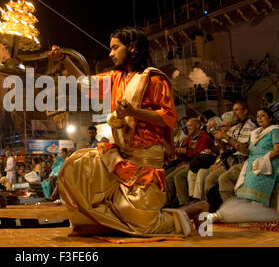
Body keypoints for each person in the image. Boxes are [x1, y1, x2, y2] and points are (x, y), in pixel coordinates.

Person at [50, 27, 207, 237]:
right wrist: (64, 61)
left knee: (143, 225)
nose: (110, 53)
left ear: (132, 47)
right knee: (76, 167)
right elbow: (87, 85)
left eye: (115, 47)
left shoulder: (153, 78)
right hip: (121, 155)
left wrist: (134, 112)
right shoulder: (116, 78)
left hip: (146, 157)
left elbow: (167, 117)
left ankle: (190, 211)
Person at [205, 101, 257, 211]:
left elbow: (244, 150)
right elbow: (225, 149)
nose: (234, 113)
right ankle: (214, 210)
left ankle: (234, 211)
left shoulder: (250, 126)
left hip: (243, 160)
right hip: (230, 161)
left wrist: (226, 137)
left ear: (245, 111)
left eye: (237, 110)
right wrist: (220, 140)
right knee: (209, 179)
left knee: (224, 179)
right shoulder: (236, 128)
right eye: (233, 110)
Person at [235, 108, 279, 206]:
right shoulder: (254, 133)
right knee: (244, 186)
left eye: (263, 116)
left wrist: (261, 162)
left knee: (254, 180)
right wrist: (237, 145)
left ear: (270, 118)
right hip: (252, 163)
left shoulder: (275, 130)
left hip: (268, 162)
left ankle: (257, 212)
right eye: (257, 116)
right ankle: (247, 213)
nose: (259, 118)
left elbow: (278, 150)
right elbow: (249, 151)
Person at [165, 118, 212, 208]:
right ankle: (168, 204)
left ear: (197, 126)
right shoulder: (190, 138)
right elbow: (184, 154)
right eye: (187, 126)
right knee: (168, 178)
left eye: (190, 126)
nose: (188, 128)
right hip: (186, 162)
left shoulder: (204, 137)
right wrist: (177, 152)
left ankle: (185, 203)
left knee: (178, 177)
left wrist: (184, 152)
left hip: (197, 164)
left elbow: (199, 154)